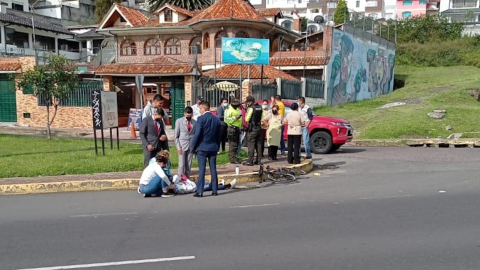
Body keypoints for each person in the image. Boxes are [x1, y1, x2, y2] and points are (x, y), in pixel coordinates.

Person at [191, 101, 222, 197]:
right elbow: (219, 135)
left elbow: (197, 134)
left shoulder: (201, 119)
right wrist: (217, 145)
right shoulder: (216, 119)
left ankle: (200, 191)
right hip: (213, 147)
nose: (199, 110)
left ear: (204, 108)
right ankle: (215, 190)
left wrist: (193, 146)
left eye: (200, 108)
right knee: (213, 169)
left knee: (202, 170)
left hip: (202, 147)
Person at [174, 106, 196, 178]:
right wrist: (178, 147)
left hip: (191, 146)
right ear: (184, 114)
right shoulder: (179, 121)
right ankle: (180, 179)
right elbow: (176, 136)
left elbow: (195, 134)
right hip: (182, 146)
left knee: (188, 164)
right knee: (181, 165)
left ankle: (187, 179)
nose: (188, 117)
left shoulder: (195, 122)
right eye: (187, 116)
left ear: (192, 114)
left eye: (190, 116)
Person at [243, 96, 263, 166]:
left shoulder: (251, 108)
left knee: (251, 144)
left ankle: (250, 161)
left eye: (247, 102)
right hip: (259, 128)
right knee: (259, 144)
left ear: (250, 102)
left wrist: (246, 112)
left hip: (252, 129)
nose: (247, 104)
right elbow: (262, 117)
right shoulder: (260, 107)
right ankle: (259, 160)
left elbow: (247, 119)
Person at [224, 98, 242, 164]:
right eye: (236, 104)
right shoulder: (228, 110)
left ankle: (234, 157)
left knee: (237, 144)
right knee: (233, 144)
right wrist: (234, 118)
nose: (237, 106)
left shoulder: (237, 109)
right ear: (232, 103)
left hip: (237, 128)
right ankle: (232, 159)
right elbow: (226, 120)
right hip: (232, 128)